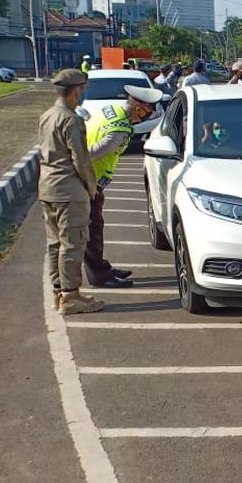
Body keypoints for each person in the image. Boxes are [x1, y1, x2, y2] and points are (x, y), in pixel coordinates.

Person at [38, 70, 104, 315]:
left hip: (47, 187)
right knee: (72, 243)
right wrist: (91, 186)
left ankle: (60, 292)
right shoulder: (71, 120)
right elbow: (81, 159)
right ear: (77, 90)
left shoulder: (47, 116)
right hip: (68, 189)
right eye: (82, 90)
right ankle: (70, 297)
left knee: (55, 244)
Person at [83, 85, 160, 289]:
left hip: (87, 179)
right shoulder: (120, 130)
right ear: (138, 109)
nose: (150, 114)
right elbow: (93, 153)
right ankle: (99, 274)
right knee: (93, 229)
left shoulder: (112, 111)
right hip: (90, 181)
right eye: (149, 110)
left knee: (93, 227)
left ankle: (102, 268)